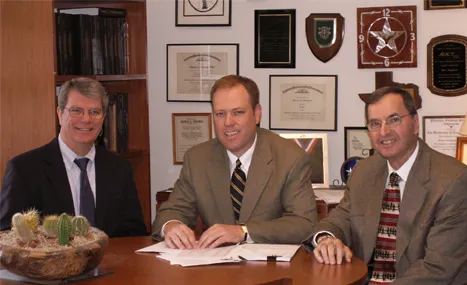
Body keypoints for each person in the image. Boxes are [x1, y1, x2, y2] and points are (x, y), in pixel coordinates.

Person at [303, 86, 467, 285]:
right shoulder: (364, 171)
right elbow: (340, 219)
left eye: (394, 120)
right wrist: (326, 239)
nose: (384, 132)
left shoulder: (453, 180)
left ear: (415, 123)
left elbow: (438, 267)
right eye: (375, 124)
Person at [152, 75, 317, 249]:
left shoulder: (290, 158)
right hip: (215, 269)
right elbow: (171, 211)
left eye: (238, 112)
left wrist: (244, 232)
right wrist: (171, 226)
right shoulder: (197, 159)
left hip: (270, 267)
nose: (228, 123)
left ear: (257, 114)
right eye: (220, 114)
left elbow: (304, 224)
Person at [0, 77, 147, 237]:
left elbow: (134, 235)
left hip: (113, 261)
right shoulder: (24, 170)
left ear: (103, 118)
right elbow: (8, 238)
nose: (86, 119)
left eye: (94, 112)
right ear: (60, 114)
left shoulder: (120, 168)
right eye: (76, 110)